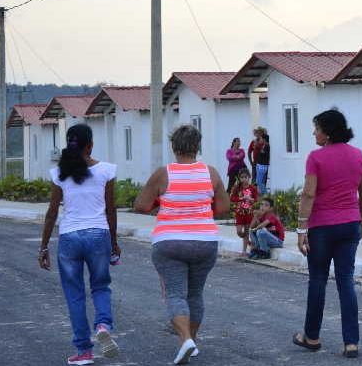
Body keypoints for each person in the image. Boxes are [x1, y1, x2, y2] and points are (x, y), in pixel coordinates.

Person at [135, 124, 230, 365]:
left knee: (176, 294)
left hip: (170, 242)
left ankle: (186, 340)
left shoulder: (162, 174)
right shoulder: (212, 173)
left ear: (173, 146)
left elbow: (141, 206)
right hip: (205, 242)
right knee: (195, 294)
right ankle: (189, 343)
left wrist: (162, 203)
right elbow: (223, 209)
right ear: (198, 146)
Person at [38, 124, 121, 365]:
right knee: (101, 286)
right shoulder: (106, 170)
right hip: (98, 234)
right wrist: (114, 243)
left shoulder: (59, 173)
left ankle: (84, 351)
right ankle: (103, 324)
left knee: (74, 295)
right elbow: (111, 210)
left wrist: (43, 247)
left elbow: (52, 212)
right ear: (90, 145)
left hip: (69, 238)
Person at [293, 109, 362, 359]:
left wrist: (301, 228)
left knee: (317, 280)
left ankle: (312, 337)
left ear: (326, 133)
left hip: (321, 227)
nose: (314, 133)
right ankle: (351, 342)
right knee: (346, 281)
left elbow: (308, 194)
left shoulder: (316, 158)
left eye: (316, 128)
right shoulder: (358, 155)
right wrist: (356, 216)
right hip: (350, 225)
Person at [230, 168, 259, 257]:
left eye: (246, 177)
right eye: (242, 177)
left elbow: (257, 199)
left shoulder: (253, 188)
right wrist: (241, 198)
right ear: (239, 178)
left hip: (249, 212)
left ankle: (244, 251)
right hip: (240, 212)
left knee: (246, 231)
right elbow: (232, 198)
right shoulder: (237, 188)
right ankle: (247, 241)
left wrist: (251, 200)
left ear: (249, 177)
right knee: (239, 231)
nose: (244, 179)